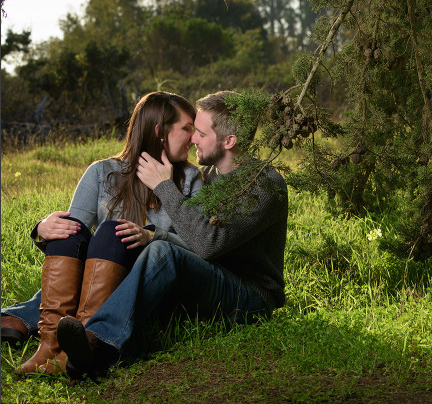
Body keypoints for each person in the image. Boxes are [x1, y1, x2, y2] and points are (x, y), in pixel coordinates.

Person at [55, 90, 288, 379]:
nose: (192, 139)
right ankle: (30, 321)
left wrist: (163, 187)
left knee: (161, 251)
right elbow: (195, 240)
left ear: (229, 141)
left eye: (200, 133)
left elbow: (205, 244)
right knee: (127, 263)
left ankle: (99, 346)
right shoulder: (213, 176)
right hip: (212, 275)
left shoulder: (263, 184)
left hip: (249, 296)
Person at [0, 91, 203, 374]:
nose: (194, 138)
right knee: (71, 230)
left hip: (149, 282)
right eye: (187, 128)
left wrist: (151, 233)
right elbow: (74, 242)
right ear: (159, 131)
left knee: (111, 231)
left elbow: (199, 246)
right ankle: (49, 346)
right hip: (101, 272)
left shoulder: (191, 179)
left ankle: (71, 336)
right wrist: (43, 229)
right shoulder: (101, 171)